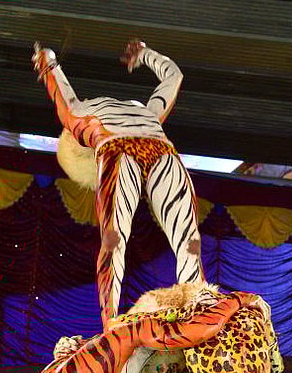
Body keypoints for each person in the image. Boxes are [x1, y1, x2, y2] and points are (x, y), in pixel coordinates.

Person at [33, 38, 202, 324]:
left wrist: (46, 61)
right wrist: (145, 54)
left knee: (127, 238)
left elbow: (58, 87)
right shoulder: (145, 115)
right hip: (148, 148)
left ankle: (195, 303)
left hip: (127, 149)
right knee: (167, 238)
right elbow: (174, 75)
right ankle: (118, 318)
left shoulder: (79, 116)